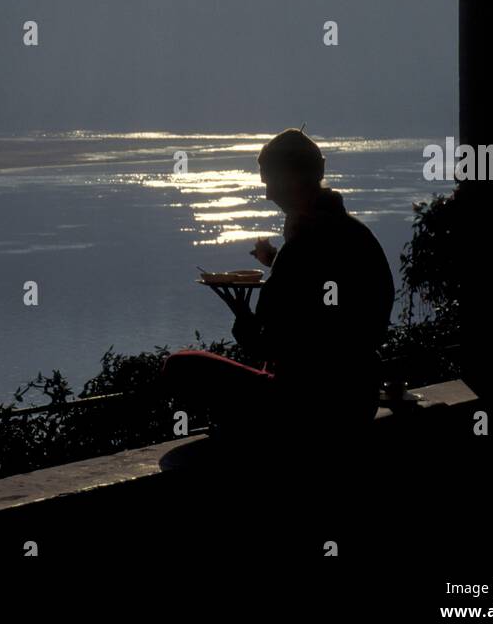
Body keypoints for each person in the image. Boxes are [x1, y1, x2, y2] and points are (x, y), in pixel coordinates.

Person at [160, 127, 396, 450]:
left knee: (180, 366)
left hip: (304, 407)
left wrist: (243, 317)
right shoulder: (358, 236)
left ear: (291, 178)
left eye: (270, 182)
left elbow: (267, 345)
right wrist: (275, 263)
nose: (268, 194)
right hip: (358, 400)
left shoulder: (301, 247)